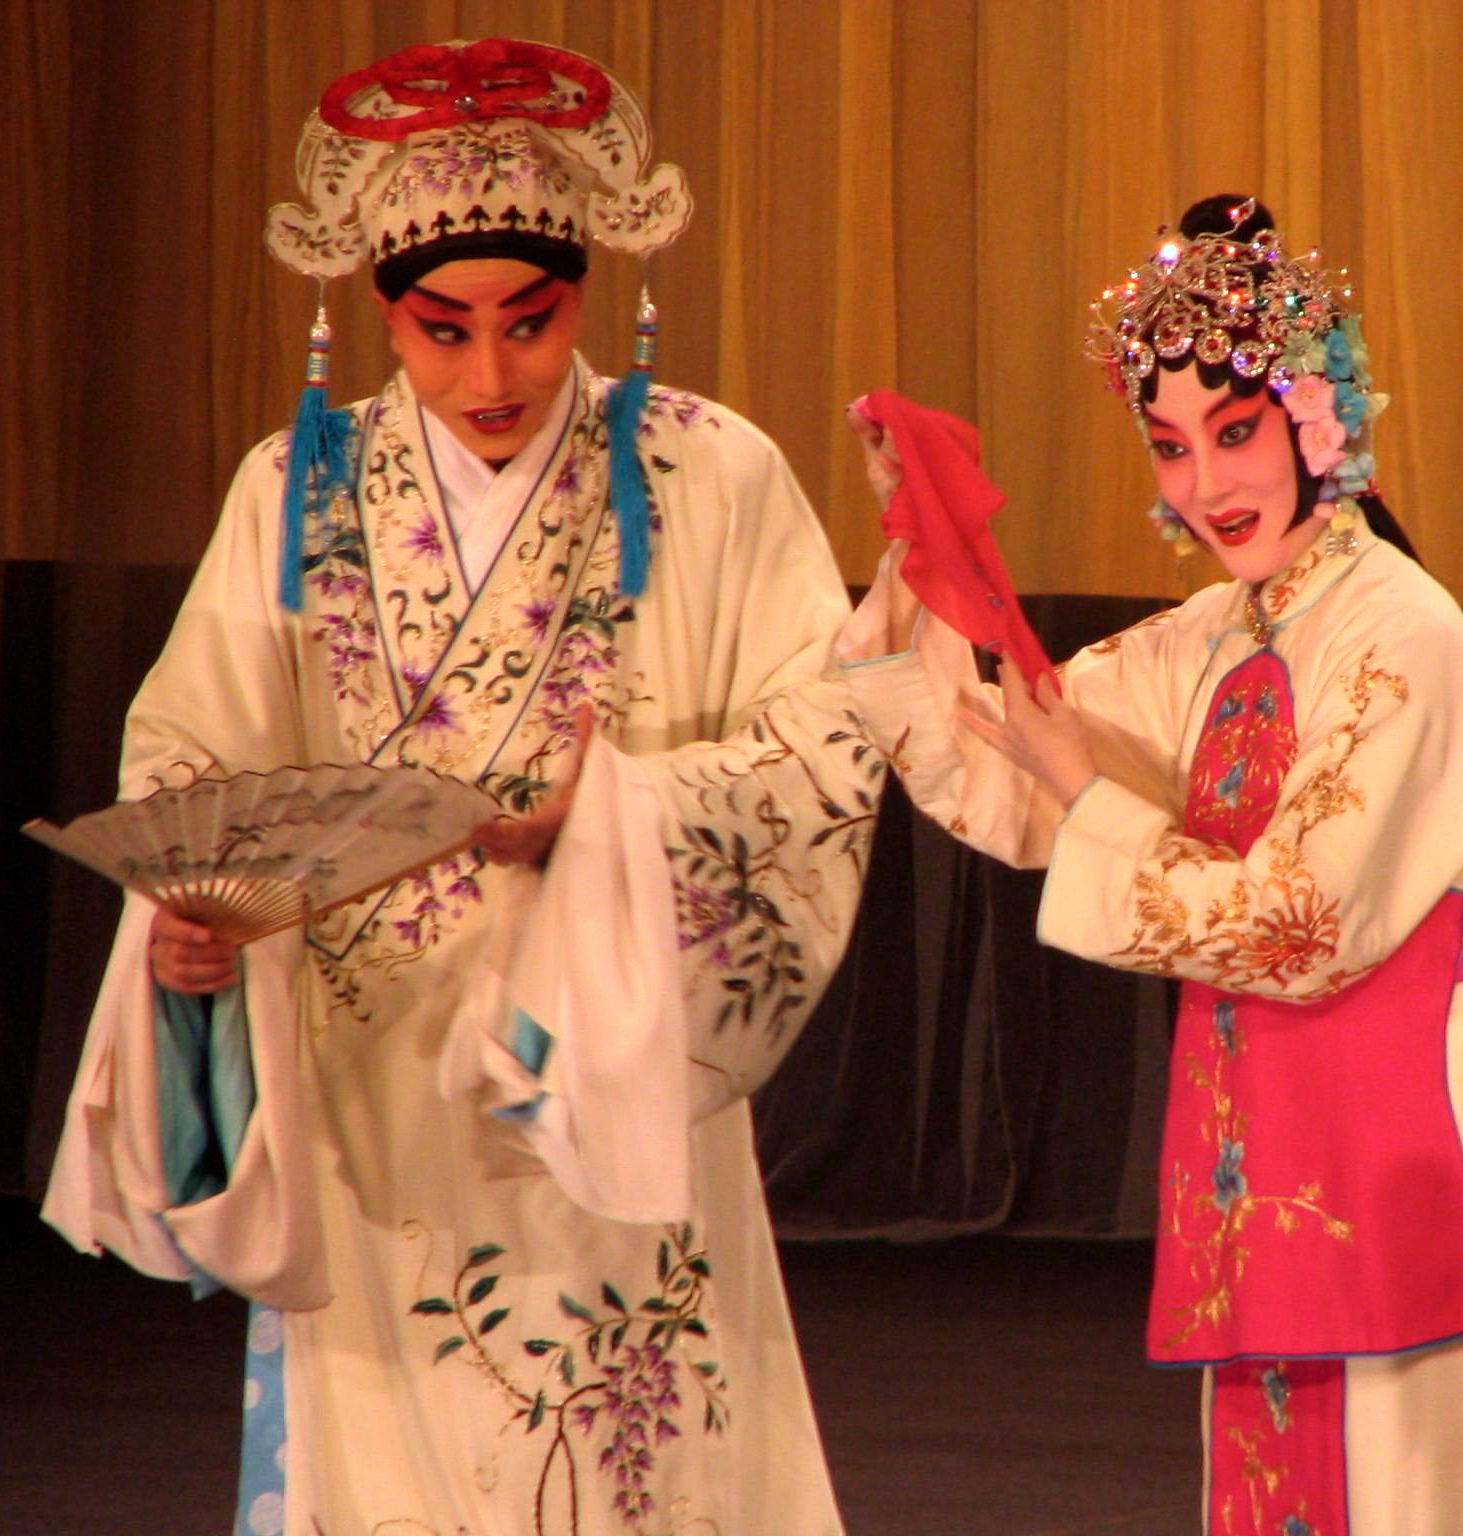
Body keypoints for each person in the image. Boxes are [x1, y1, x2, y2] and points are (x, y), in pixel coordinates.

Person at [44, 40, 877, 1536]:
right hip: (372, 1076)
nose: (488, 375)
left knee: (629, 1460)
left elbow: (826, 739)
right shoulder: (292, 491)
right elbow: (189, 758)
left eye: (531, 324)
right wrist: (193, 924)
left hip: (610, 1052)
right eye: (442, 332)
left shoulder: (714, 474)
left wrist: (622, 819)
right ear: (376, 312)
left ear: (592, 296)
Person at [838, 196, 1463, 1536]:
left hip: (1427, 1147)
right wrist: (926, 564)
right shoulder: (1205, 640)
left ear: (1322, 421)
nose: (1207, 485)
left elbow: (1296, 923)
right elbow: (994, 771)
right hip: (1273, 1146)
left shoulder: (1400, 639)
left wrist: (1088, 790)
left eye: (1238, 432)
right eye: (1173, 446)